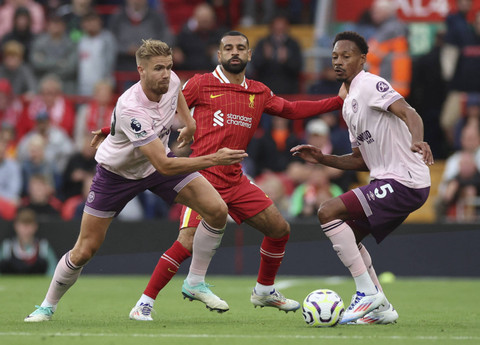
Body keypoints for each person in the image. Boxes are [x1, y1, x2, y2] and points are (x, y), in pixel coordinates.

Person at [115, 31, 346, 321]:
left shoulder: (259, 92)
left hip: (236, 179)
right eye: (228, 48)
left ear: (250, 55)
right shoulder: (201, 83)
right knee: (186, 242)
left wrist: (337, 102)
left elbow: (292, 108)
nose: (234, 52)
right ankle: (144, 303)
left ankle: (264, 290)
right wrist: (117, 130)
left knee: (279, 229)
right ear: (219, 54)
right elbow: (160, 106)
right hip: (202, 177)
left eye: (240, 48)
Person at [23, 38, 247, 322]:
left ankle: (194, 282)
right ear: (140, 70)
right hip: (118, 175)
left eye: (168, 67)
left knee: (217, 210)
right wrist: (215, 158)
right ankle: (47, 306)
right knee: (85, 250)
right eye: (158, 69)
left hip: (153, 164)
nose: (165, 74)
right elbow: (164, 166)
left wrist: (188, 121)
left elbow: (176, 92)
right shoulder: (131, 107)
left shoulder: (172, 80)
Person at [290, 31, 433, 325]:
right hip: (386, 181)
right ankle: (381, 308)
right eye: (334, 57)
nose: (339, 62)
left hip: (404, 181)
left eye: (346, 56)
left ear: (362, 59)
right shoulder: (348, 103)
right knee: (349, 237)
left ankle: (367, 293)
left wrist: (418, 140)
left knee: (327, 211)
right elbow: (360, 159)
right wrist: (322, 158)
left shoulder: (370, 84)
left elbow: (410, 112)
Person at [0, 207, 57, 275]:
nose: (26, 230)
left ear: (35, 226)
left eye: (29, 225)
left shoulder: (43, 246)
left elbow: (53, 269)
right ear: (16, 226)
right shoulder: (7, 246)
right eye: (23, 225)